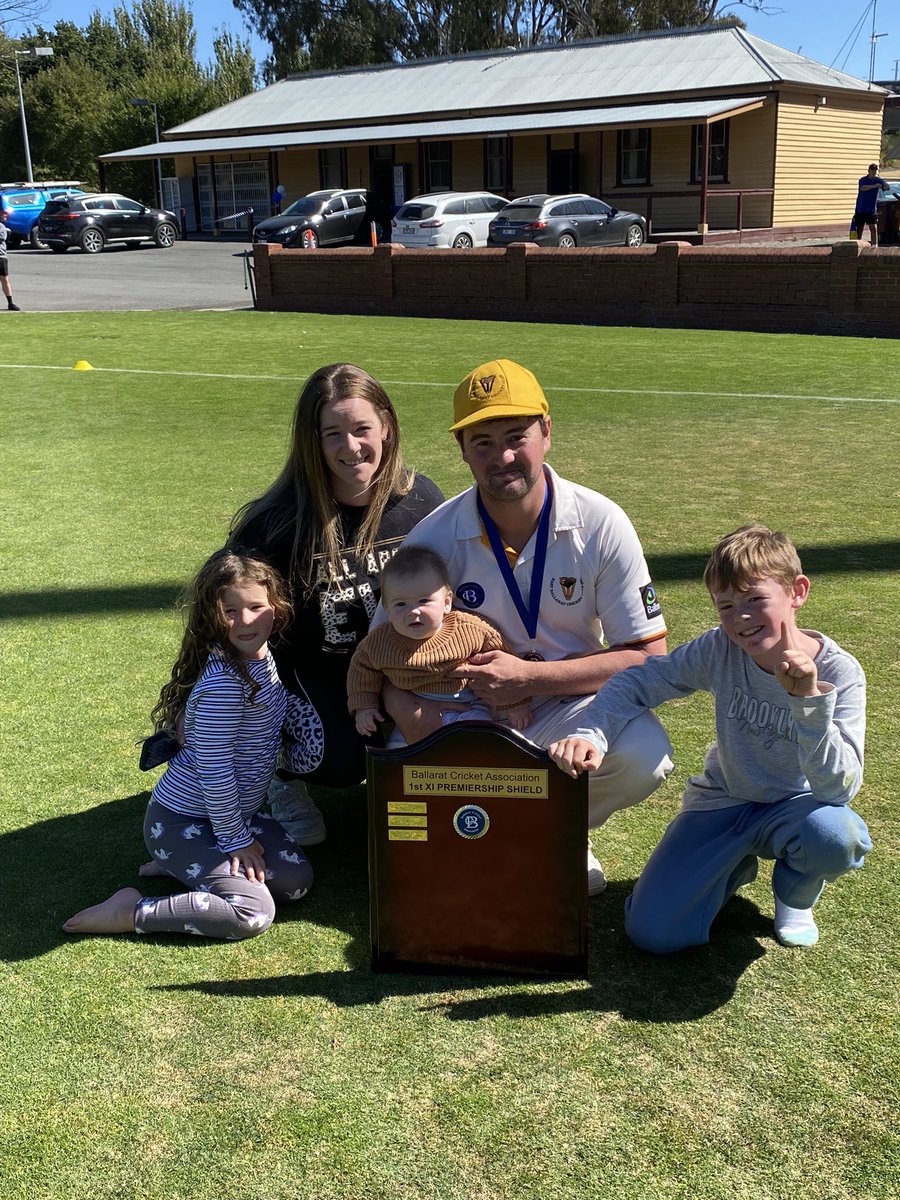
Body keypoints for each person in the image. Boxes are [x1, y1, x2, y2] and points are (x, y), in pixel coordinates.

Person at [385, 358, 674, 895]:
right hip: (467, 708)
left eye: (516, 436)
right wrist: (424, 723)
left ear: (546, 430)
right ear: (463, 451)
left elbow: (650, 659)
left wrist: (529, 680)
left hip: (571, 702)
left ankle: (558, 828)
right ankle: (503, 830)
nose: (503, 458)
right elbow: (382, 654)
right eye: (483, 443)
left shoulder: (601, 522)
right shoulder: (433, 536)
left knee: (644, 756)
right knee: (409, 767)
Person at [548, 525, 871, 951]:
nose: (740, 618)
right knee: (654, 935)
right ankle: (732, 866)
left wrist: (809, 701)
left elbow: (838, 788)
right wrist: (592, 733)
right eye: (726, 605)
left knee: (836, 836)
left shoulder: (839, 672)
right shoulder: (719, 649)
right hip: (725, 800)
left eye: (756, 599)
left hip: (798, 808)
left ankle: (794, 894)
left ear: (797, 591)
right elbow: (637, 682)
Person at [229, 363, 443, 845]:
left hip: (403, 663)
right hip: (314, 670)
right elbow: (220, 614)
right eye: (333, 434)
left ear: (386, 426)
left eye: (362, 429)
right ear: (312, 441)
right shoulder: (275, 523)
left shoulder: (421, 498)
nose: (351, 447)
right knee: (342, 758)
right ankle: (284, 776)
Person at [64, 550, 313, 940]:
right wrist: (236, 841)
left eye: (256, 606)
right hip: (182, 822)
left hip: (233, 816)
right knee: (254, 912)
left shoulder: (261, 657)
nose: (245, 620)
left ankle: (182, 866)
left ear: (275, 608)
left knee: (296, 882)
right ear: (211, 615)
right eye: (230, 611)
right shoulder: (224, 687)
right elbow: (214, 771)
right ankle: (131, 911)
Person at [348, 545, 532, 736]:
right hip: (412, 712)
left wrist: (515, 703)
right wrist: (364, 707)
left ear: (446, 603)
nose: (413, 611)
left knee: (479, 745)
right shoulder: (380, 642)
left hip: (468, 707)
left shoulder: (468, 629)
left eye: (424, 601)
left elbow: (500, 654)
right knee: (404, 760)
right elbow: (362, 668)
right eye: (400, 604)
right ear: (387, 609)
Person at [852, 164, 888, 246]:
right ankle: (857, 245)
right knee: (859, 229)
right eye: (872, 170)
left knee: (873, 228)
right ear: (868, 171)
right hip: (860, 208)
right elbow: (862, 188)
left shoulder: (878, 180)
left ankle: (875, 246)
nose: (873, 172)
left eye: (875, 170)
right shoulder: (863, 180)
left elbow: (886, 187)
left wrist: (885, 186)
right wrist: (874, 186)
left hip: (871, 209)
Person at [0, 209, 21, 311]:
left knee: (4, 279)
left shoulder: (1, 227)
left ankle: (10, 303)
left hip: (1, 257)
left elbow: (2, 238)